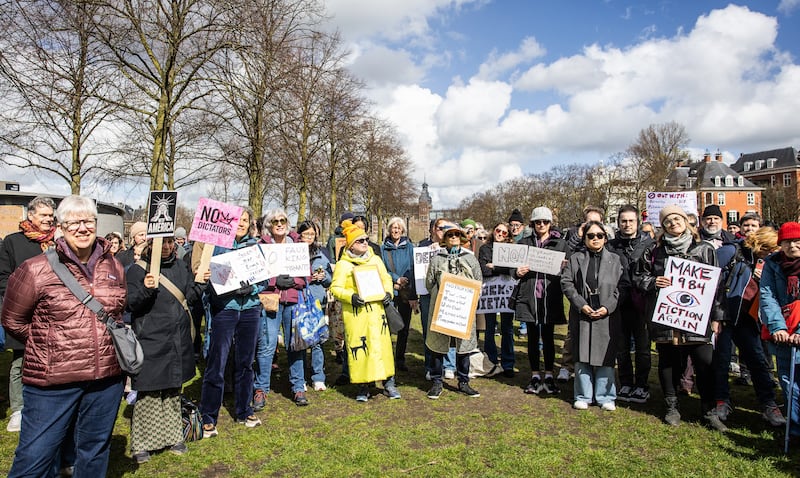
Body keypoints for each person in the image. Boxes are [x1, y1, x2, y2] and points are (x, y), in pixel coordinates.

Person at [1, 195, 126, 477]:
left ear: (96, 224)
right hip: (53, 381)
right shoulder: (35, 269)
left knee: (94, 452)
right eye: (74, 222)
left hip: (104, 380)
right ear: (60, 227)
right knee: (35, 456)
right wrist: (51, 345)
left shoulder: (114, 266)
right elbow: (12, 319)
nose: (82, 228)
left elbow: (117, 313)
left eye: (88, 221)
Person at [633, 205, 724, 429]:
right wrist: (653, 282)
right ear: (662, 227)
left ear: (686, 221)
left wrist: (716, 317)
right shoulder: (654, 250)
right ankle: (671, 407)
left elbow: (717, 287)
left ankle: (709, 410)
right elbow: (638, 276)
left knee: (705, 362)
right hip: (667, 318)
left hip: (696, 318)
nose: (673, 224)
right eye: (668, 221)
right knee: (668, 362)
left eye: (677, 219)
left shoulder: (704, 249)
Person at [126, 236, 201, 463]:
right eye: (162, 243)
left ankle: (173, 437)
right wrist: (146, 289)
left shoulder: (180, 266)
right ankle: (143, 444)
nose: (167, 247)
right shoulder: (137, 270)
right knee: (149, 392)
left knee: (171, 390)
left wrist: (202, 283)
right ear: (151, 245)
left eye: (171, 243)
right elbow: (130, 303)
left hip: (176, 338)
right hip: (151, 338)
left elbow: (189, 297)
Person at [199, 207, 264, 436]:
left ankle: (244, 410)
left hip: (250, 310)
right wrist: (207, 278)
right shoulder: (217, 247)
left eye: (245, 220)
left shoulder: (254, 247)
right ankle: (208, 415)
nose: (242, 224)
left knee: (246, 362)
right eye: (238, 220)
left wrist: (253, 287)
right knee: (217, 362)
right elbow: (208, 278)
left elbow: (264, 279)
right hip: (225, 309)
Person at [0, 196, 56, 434]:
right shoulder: (13, 242)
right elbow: (3, 278)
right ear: (30, 215)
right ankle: (19, 410)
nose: (48, 219)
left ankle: (47, 405)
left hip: (53, 313)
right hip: (25, 313)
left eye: (51, 215)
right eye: (44, 215)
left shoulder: (58, 243)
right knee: (21, 362)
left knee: (53, 361)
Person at [329, 220, 399, 401]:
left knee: (382, 348)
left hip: (377, 313)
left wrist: (388, 293)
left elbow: (386, 279)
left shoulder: (375, 259)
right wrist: (350, 297)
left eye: (366, 239)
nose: (366, 243)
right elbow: (335, 288)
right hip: (356, 315)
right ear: (351, 244)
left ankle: (389, 383)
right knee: (360, 350)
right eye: (361, 241)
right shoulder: (344, 265)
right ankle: (363, 386)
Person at [561, 220, 626, 411]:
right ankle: (583, 395)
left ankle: (606, 395)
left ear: (605, 238)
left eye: (599, 235)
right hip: (582, 312)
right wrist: (581, 304)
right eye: (591, 236)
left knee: (606, 354)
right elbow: (567, 282)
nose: (595, 239)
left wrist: (608, 306)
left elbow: (622, 287)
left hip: (607, 313)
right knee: (582, 354)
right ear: (585, 238)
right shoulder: (576, 258)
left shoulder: (616, 260)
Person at [254, 209, 309, 407]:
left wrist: (293, 281)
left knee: (295, 344)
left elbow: (306, 276)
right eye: (275, 221)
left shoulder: (297, 246)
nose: (279, 224)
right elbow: (256, 274)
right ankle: (261, 389)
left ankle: (298, 387)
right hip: (270, 301)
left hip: (293, 300)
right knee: (267, 345)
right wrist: (274, 281)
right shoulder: (262, 246)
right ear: (269, 225)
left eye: (283, 220)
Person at [425, 224, 483, 399]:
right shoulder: (437, 259)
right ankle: (436, 381)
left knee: (463, 345)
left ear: (462, 238)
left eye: (457, 234)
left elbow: (478, 280)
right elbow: (429, 283)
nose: (454, 238)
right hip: (442, 308)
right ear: (445, 239)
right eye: (450, 235)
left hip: (462, 308)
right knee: (438, 345)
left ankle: (463, 381)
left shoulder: (470, 259)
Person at [514, 207, 568, 394]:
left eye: (545, 222)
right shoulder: (524, 243)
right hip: (529, 295)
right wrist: (516, 272)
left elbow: (568, 268)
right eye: (538, 222)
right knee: (532, 336)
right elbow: (513, 269)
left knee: (548, 336)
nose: (542, 225)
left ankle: (550, 375)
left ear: (550, 223)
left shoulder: (560, 244)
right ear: (533, 224)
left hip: (549, 295)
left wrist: (564, 267)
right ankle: (535, 374)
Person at [609, 205, 654, 403]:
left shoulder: (649, 244)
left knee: (643, 347)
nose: (627, 224)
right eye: (623, 221)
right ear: (618, 222)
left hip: (641, 302)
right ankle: (626, 382)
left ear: (638, 222)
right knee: (622, 346)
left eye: (631, 221)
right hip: (618, 301)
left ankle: (642, 384)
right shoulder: (611, 245)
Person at [759, 222, 800, 436]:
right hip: (783, 333)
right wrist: (777, 326)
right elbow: (767, 296)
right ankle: (794, 429)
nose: (792, 246)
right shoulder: (772, 264)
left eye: (797, 241)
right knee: (788, 381)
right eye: (787, 242)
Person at [417, 218, 457, 379]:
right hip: (428, 295)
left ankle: (449, 365)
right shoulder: (422, 246)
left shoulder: (452, 247)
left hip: (448, 294)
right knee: (429, 330)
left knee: (447, 328)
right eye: (441, 228)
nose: (443, 231)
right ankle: (430, 366)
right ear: (433, 229)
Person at [380, 217, 419, 372]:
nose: (395, 230)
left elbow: (413, 267)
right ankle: (387, 357)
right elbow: (382, 268)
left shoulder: (409, 247)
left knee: (403, 325)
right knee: (387, 325)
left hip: (406, 291)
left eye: (398, 228)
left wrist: (411, 292)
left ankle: (400, 359)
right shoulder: (384, 248)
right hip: (390, 290)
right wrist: (396, 279)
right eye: (393, 228)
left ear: (402, 230)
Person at [477, 222, 516, 376]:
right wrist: (498, 269)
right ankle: (491, 361)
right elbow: (484, 270)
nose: (500, 234)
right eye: (498, 231)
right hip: (490, 294)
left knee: (507, 328)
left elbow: (513, 270)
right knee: (489, 328)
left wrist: (495, 267)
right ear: (493, 231)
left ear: (508, 236)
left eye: (504, 232)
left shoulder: (512, 250)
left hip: (506, 294)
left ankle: (508, 363)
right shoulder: (485, 249)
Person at [297, 220, 331, 392]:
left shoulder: (321, 254)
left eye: (312, 234)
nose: (309, 237)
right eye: (306, 234)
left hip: (317, 302)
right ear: (300, 235)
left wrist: (324, 277)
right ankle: (300, 377)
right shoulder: (293, 253)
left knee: (318, 341)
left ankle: (318, 376)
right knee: (301, 340)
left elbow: (330, 280)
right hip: (300, 301)